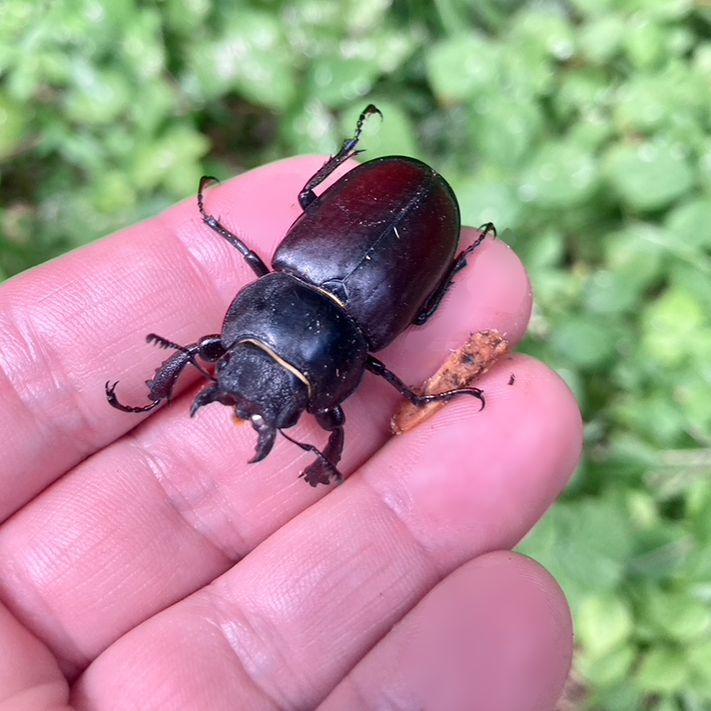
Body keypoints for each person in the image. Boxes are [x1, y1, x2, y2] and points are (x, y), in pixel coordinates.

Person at [0, 156, 581, 710]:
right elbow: (338, 410)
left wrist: (341, 449)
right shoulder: (340, 320)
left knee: (388, 293)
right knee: (329, 243)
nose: (245, 397)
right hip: (403, 229)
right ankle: (426, 234)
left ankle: (433, 239)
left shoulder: (351, 325)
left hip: (402, 217)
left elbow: (338, 408)